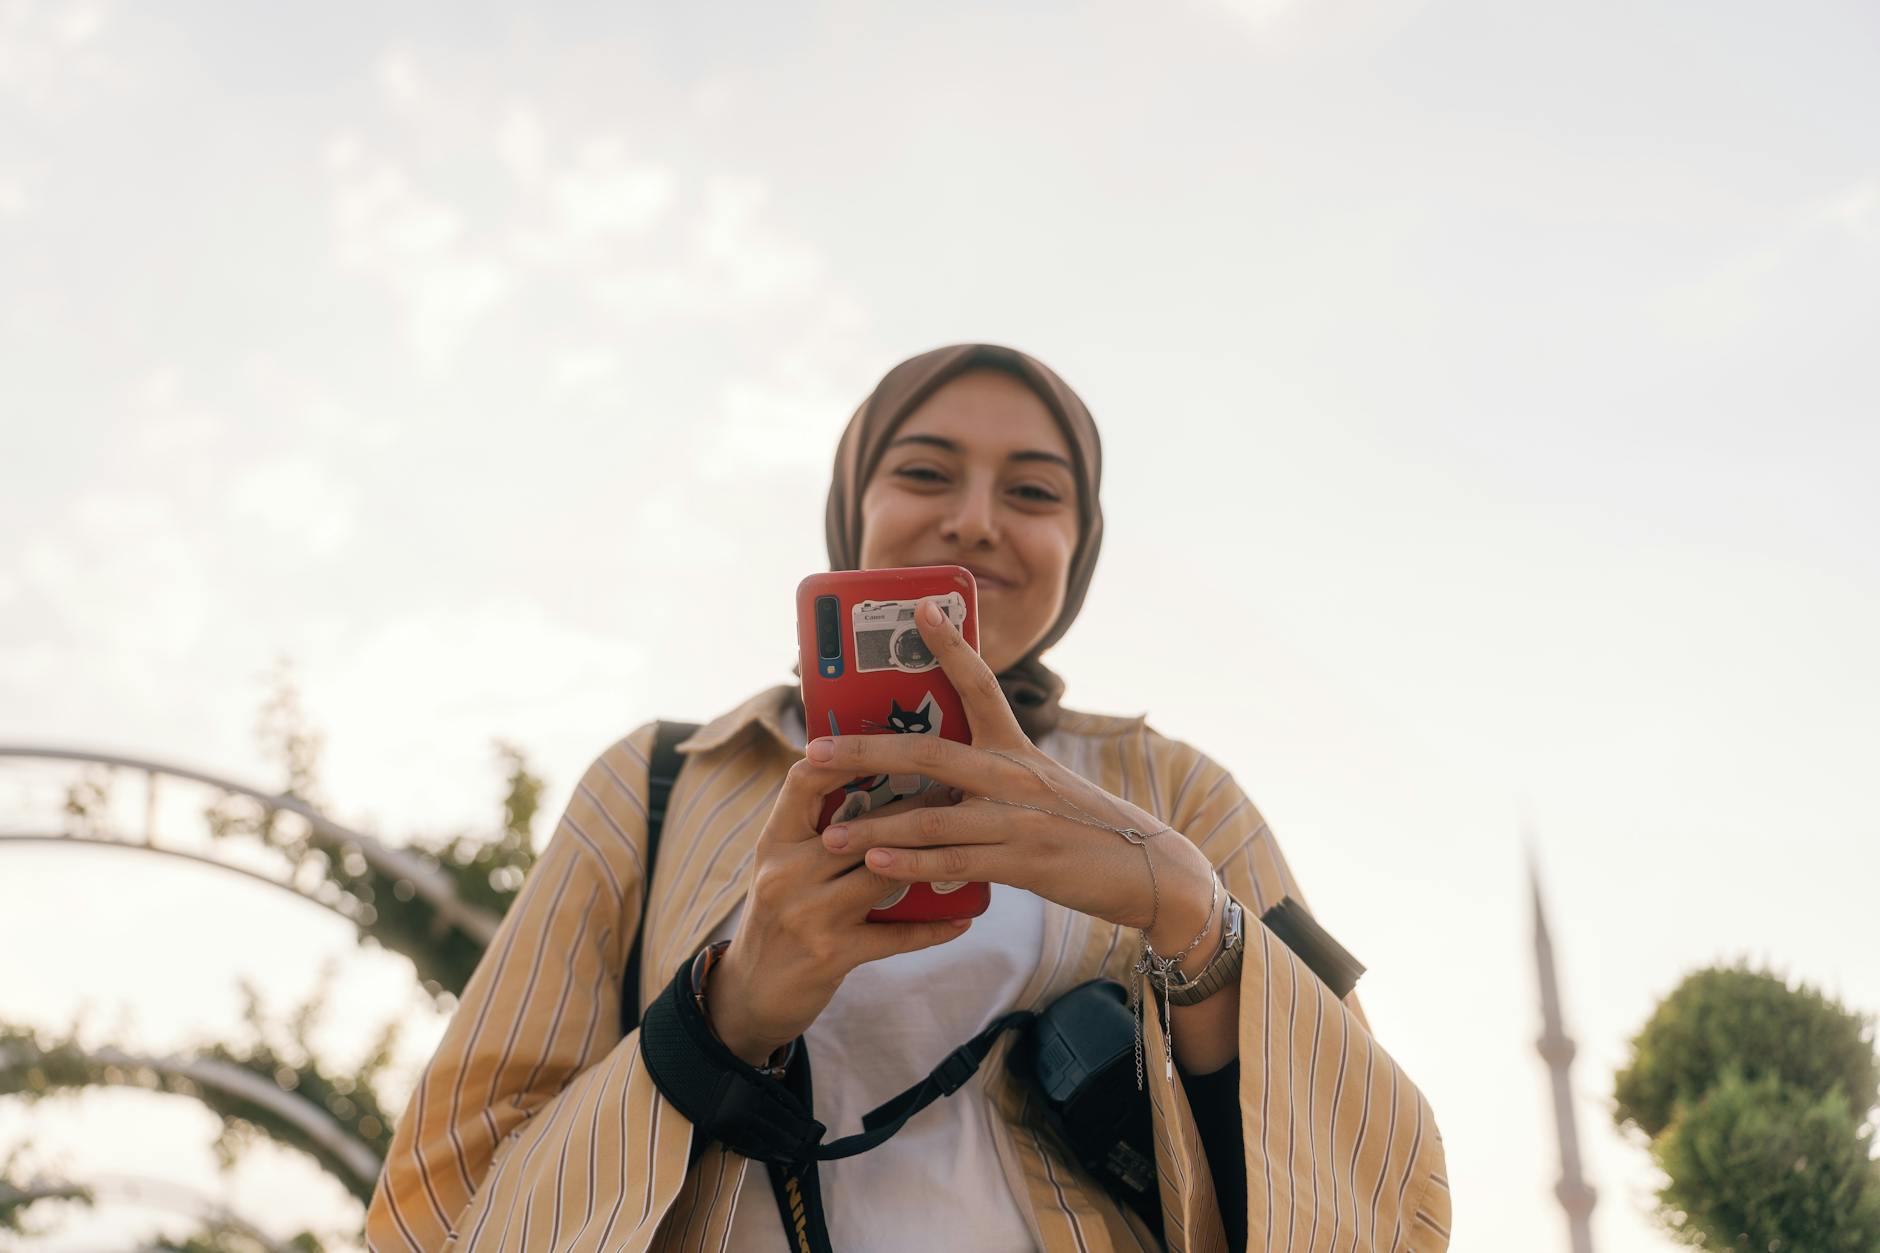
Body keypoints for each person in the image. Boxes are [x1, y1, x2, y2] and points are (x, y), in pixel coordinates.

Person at [364, 344, 1451, 1252]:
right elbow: (445, 1189)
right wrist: (725, 1012)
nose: (976, 520)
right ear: (853, 507)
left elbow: (1380, 1189)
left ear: (1079, 546)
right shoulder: (660, 780)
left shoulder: (1177, 795)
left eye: (1033, 490)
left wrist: (1194, 924)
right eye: (925, 473)